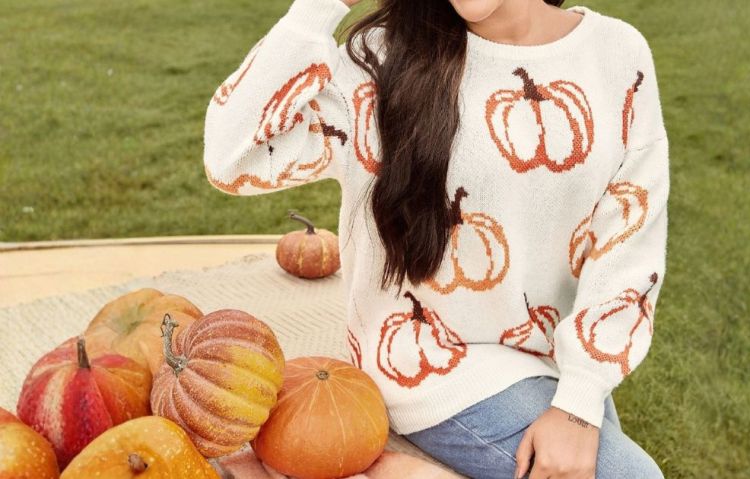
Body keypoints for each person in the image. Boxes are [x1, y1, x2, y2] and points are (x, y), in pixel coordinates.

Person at [202, 0, 669, 477]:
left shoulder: (617, 53)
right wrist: (320, 6)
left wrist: (580, 397)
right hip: (430, 365)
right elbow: (232, 158)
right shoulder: (384, 60)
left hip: (547, 357)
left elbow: (629, 244)